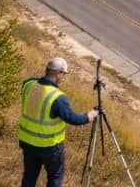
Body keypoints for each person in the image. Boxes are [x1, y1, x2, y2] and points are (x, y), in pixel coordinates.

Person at [19, 57, 98, 187]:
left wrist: (44, 78)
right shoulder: (57, 97)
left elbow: (29, 80)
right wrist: (89, 116)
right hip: (50, 147)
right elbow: (71, 118)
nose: (64, 77)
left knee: (29, 176)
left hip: (27, 142)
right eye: (64, 74)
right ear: (58, 73)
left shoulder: (29, 86)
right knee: (55, 178)